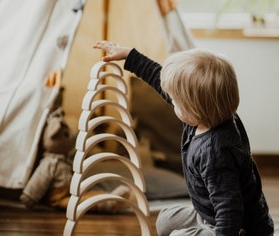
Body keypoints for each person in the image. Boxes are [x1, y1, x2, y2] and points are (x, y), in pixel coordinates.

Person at [93, 40, 274, 236]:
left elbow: (230, 210)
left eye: (176, 101)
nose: (171, 101)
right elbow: (158, 78)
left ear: (193, 108)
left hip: (237, 227)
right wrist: (130, 55)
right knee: (164, 220)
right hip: (208, 213)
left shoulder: (216, 153)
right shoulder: (210, 113)